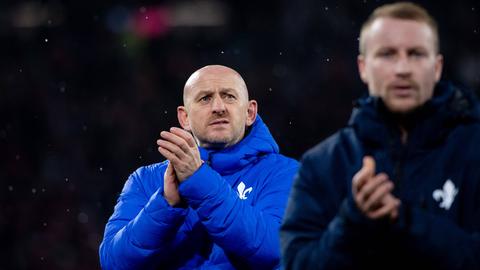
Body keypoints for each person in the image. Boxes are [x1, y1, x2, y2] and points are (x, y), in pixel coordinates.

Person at [280, 2, 480, 269]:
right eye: (387, 54)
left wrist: (403, 220)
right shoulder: (322, 164)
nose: (402, 68)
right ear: (363, 67)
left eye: (416, 54)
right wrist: (352, 220)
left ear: (437, 67)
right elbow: (298, 265)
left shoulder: (474, 149)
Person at [99, 65, 298, 269]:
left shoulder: (286, 174)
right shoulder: (145, 180)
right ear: (184, 117)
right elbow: (114, 262)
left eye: (229, 96)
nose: (218, 107)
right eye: (205, 98)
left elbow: (275, 248)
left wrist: (199, 181)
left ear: (250, 112)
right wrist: (166, 204)